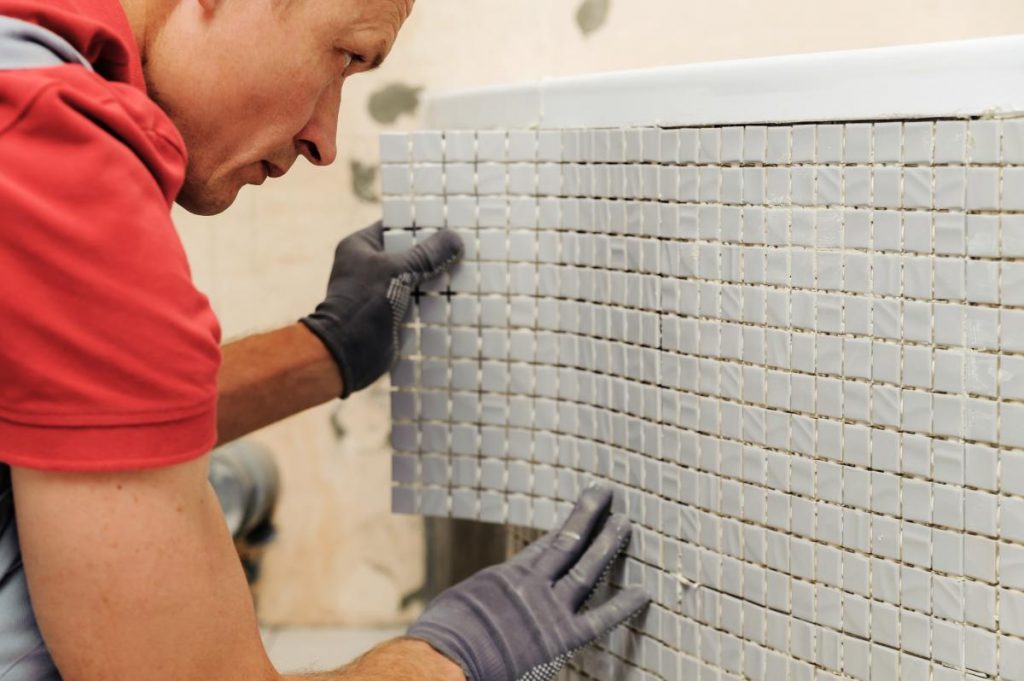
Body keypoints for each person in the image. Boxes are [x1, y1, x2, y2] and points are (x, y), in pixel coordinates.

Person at [0, 0, 651, 679]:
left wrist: (329, 348)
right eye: (345, 55)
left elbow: (74, 414)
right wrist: (453, 653)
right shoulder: (55, 156)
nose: (324, 140)